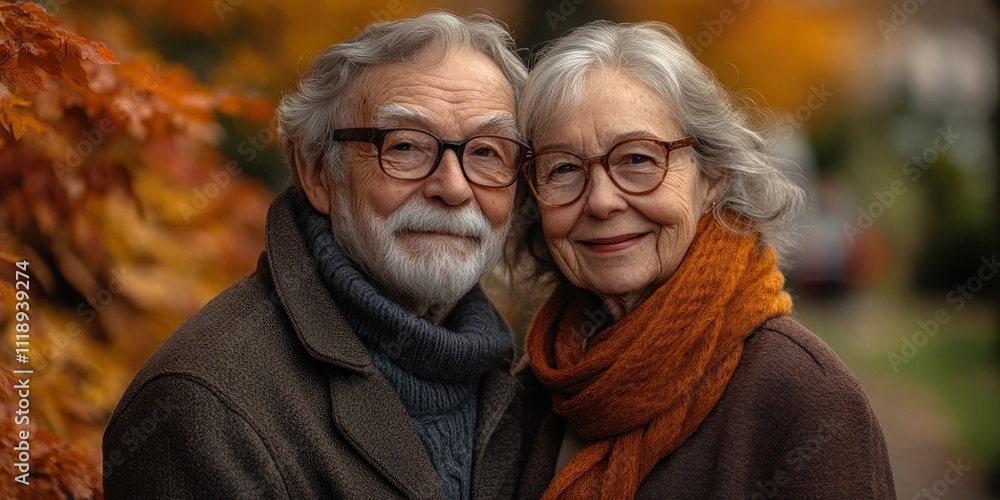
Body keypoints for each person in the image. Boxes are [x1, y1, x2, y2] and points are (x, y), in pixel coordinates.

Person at [103, 12, 530, 499]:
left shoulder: (530, 392)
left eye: (487, 152)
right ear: (317, 173)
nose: (453, 187)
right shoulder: (205, 405)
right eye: (406, 145)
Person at [509, 21, 895, 499]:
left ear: (712, 176)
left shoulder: (804, 399)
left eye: (638, 159)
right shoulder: (533, 389)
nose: (602, 201)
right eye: (564, 168)